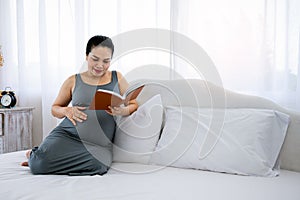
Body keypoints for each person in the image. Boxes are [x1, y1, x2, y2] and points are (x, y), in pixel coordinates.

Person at [21, 35, 138, 175]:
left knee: (99, 165)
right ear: (86, 56)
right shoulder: (73, 81)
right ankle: (37, 157)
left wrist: (124, 111)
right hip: (68, 134)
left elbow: (133, 102)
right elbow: (55, 108)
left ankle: (47, 160)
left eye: (106, 61)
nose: (100, 65)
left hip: (98, 145)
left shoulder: (117, 77)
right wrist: (67, 111)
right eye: (95, 59)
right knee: (37, 166)